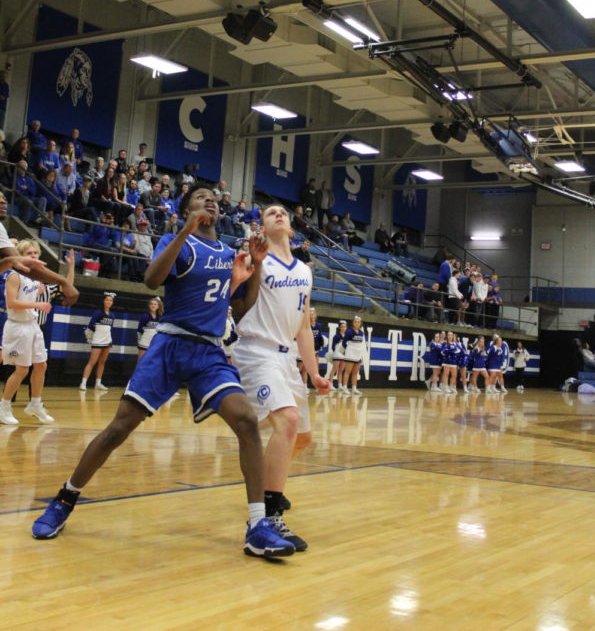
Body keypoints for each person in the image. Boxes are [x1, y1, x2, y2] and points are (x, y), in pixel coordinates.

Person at [31, 186, 294, 561]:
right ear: (186, 208)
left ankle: (257, 526)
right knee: (119, 428)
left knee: (247, 421)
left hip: (207, 351)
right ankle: (64, 499)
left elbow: (242, 307)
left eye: (214, 198)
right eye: (201, 196)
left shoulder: (226, 252)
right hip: (170, 345)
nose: (211, 200)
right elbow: (152, 281)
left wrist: (256, 266)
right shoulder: (176, 240)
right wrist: (185, 229)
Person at [232, 202, 331, 551]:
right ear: (260, 226)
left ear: (291, 228)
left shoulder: (304, 270)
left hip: (288, 358)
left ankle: (263, 484)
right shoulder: (252, 259)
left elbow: (303, 325)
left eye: (283, 213)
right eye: (270, 212)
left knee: (301, 438)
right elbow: (234, 300)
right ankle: (268, 514)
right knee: (286, 422)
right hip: (256, 351)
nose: (279, 214)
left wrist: (315, 372)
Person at [0, 243, 74, 425]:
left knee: (41, 365)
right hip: (17, 326)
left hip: (32, 325)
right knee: (22, 370)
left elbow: (66, 286)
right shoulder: (13, 275)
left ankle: (35, 404)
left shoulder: (36, 280)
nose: (33, 256)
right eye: (28, 253)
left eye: (35, 253)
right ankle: (4, 407)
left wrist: (70, 267)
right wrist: (37, 305)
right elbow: (12, 304)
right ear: (21, 256)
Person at [79, 292, 116, 391]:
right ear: (103, 301)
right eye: (107, 300)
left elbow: (109, 328)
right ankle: (83, 383)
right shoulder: (98, 313)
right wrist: (90, 339)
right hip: (97, 341)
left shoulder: (112, 315)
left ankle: (98, 383)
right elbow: (90, 327)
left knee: (102, 362)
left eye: (110, 300)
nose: (109, 302)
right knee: (92, 362)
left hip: (108, 341)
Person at [340, 315, 366, 395]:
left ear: (360, 323)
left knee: (355, 372)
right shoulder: (349, 331)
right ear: (353, 323)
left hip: (358, 354)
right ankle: (345, 387)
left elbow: (361, 344)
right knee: (348, 371)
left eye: (358, 322)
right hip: (350, 353)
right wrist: (346, 351)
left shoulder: (361, 333)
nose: (357, 323)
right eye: (355, 322)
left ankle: (354, 388)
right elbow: (344, 343)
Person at [136, 297, 163, 361]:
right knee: (141, 362)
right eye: (151, 304)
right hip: (144, 343)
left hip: (155, 344)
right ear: (149, 306)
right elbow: (139, 330)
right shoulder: (145, 316)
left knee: (153, 363)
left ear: (158, 306)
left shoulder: (161, 318)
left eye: (155, 304)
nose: (153, 305)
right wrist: (140, 342)